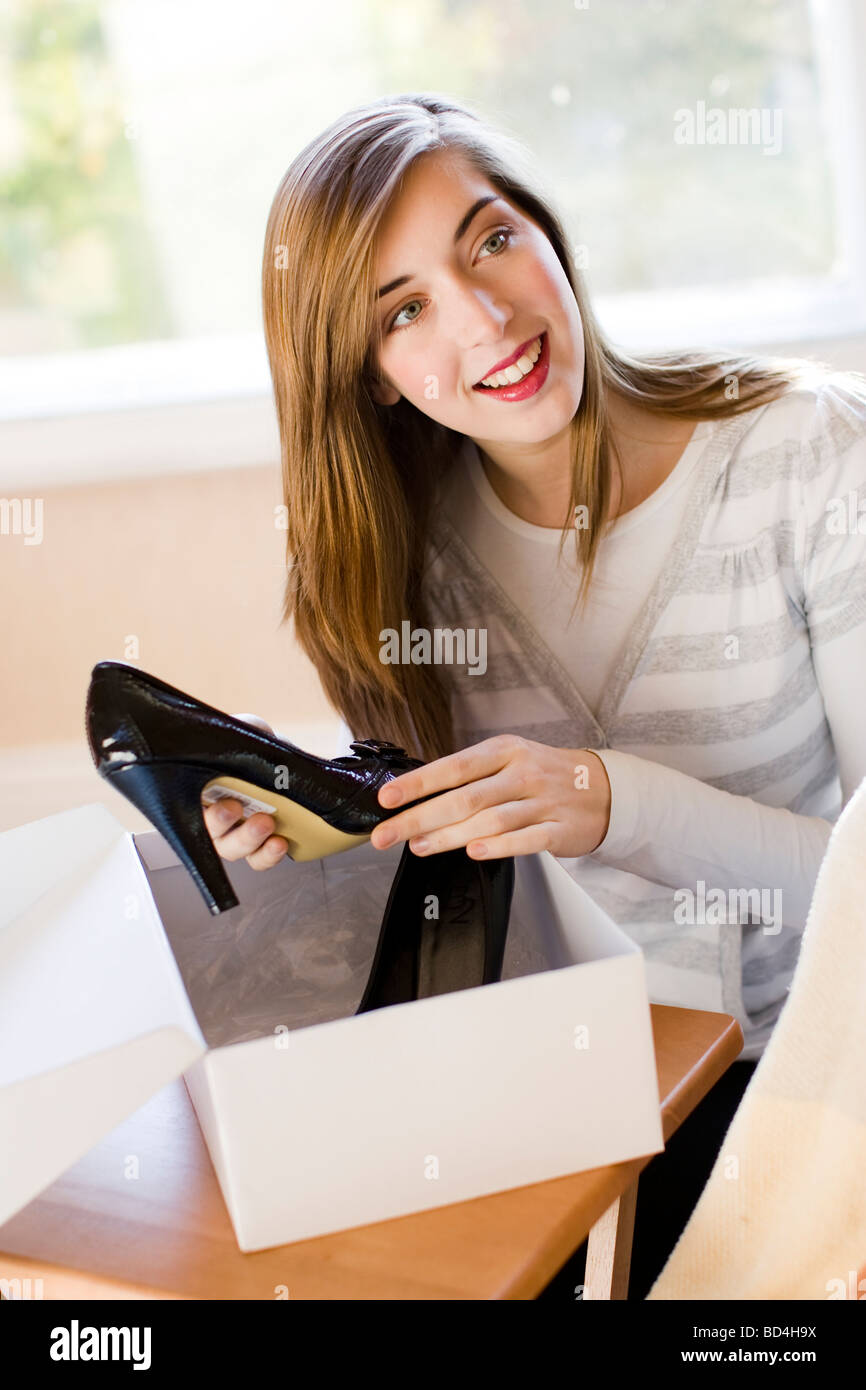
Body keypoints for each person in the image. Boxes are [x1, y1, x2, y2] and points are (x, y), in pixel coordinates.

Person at [202, 93, 866, 1297]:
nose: (485, 320)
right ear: (373, 378)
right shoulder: (387, 568)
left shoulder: (807, 455)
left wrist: (615, 802)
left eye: (489, 241)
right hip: (553, 1105)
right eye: (403, 311)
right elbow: (455, 897)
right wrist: (315, 843)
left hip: (809, 1094)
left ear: (547, 235)